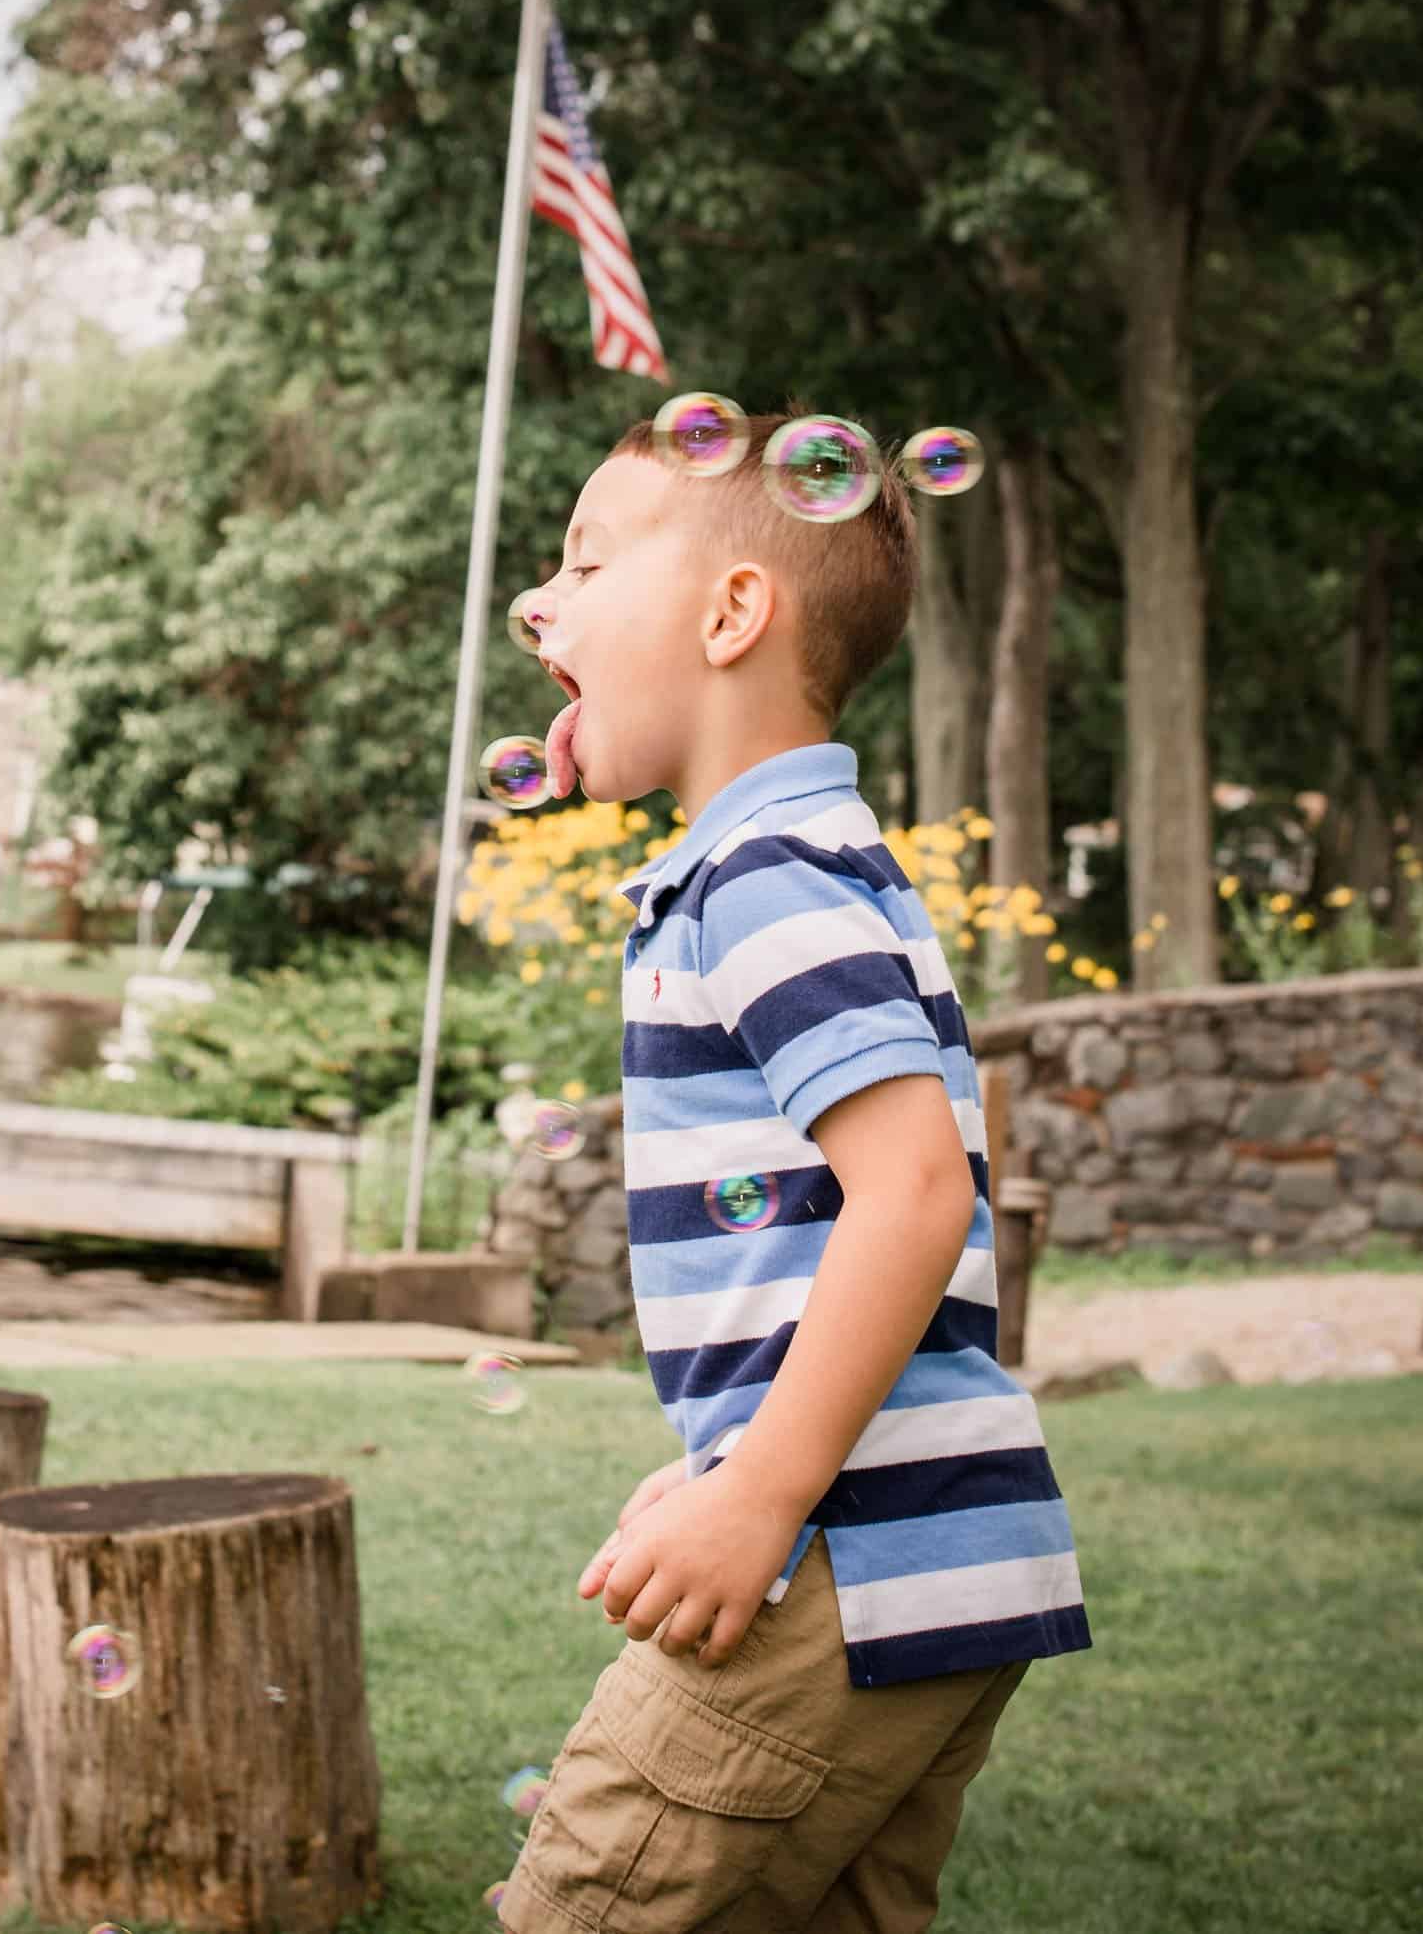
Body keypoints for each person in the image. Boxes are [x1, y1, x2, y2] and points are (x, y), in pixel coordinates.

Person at [498, 403, 1092, 1934]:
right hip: (933, 1549)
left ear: (732, 614)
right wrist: (730, 1454)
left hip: (845, 1555)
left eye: (584, 561)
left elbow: (915, 1195)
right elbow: (848, 1220)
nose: (533, 604)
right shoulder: (807, 866)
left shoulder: (759, 880)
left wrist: (761, 1494)